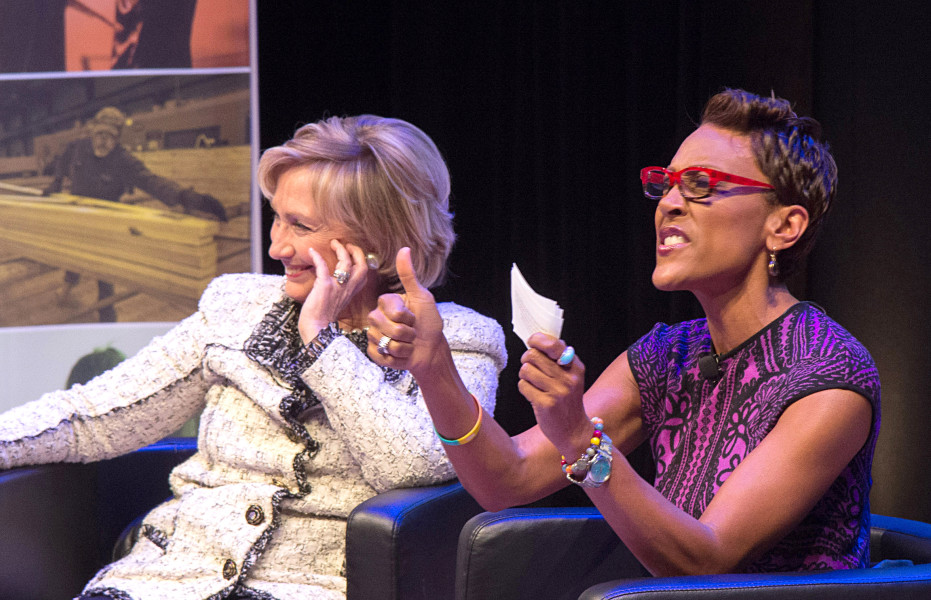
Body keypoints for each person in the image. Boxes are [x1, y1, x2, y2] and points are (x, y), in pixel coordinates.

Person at [0, 115, 507, 600]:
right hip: (166, 579)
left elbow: (406, 469)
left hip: (311, 586)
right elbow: (103, 409)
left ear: (376, 241)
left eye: (299, 225)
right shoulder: (235, 307)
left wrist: (322, 340)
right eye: (276, 219)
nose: (276, 246)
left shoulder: (455, 340)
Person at [368, 89, 880, 575]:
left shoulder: (830, 376)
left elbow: (706, 561)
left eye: (700, 184)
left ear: (784, 226)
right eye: (667, 184)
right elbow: (507, 479)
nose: (669, 204)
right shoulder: (668, 353)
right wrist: (434, 369)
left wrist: (580, 441)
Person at [45, 106, 228, 321]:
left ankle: (106, 314)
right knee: (74, 253)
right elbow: (62, 161)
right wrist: (56, 182)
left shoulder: (123, 161)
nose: (103, 140)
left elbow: (150, 180)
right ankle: (68, 286)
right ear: (92, 133)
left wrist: (184, 196)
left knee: (105, 268)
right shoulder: (78, 148)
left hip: (107, 219)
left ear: (118, 138)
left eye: (110, 136)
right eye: (99, 134)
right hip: (78, 213)